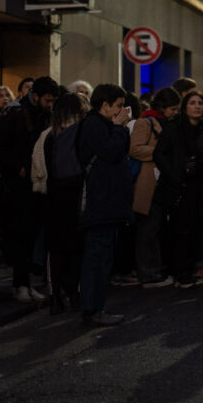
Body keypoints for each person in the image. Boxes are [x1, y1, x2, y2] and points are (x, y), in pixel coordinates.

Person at [0, 76, 58, 301]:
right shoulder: (15, 114)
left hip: (37, 181)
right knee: (21, 235)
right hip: (19, 184)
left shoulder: (43, 114)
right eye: (47, 100)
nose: (50, 105)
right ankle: (20, 284)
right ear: (36, 96)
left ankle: (24, 283)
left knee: (30, 235)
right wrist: (17, 168)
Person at [74, 84, 135, 325]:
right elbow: (111, 152)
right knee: (97, 257)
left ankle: (95, 307)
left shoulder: (103, 125)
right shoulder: (94, 125)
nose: (122, 111)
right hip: (99, 203)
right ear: (105, 105)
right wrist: (120, 128)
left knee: (102, 256)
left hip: (108, 203)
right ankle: (91, 309)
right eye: (118, 106)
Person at [155, 88, 203, 288]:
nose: (197, 106)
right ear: (184, 106)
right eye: (192, 103)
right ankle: (179, 271)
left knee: (197, 229)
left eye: (200, 103)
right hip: (179, 186)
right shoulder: (174, 128)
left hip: (200, 186)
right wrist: (174, 174)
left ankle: (190, 268)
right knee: (180, 229)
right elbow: (159, 154)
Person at [37, 93, 85, 313]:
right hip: (74, 195)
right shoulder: (77, 134)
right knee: (75, 248)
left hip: (52, 197)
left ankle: (56, 295)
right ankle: (74, 293)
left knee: (56, 249)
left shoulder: (48, 136)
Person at [131, 86, 181, 288]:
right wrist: (161, 152)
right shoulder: (146, 122)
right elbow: (135, 149)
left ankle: (156, 269)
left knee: (156, 227)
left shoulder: (169, 124)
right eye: (172, 109)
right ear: (162, 107)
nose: (174, 113)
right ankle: (149, 273)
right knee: (148, 229)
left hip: (162, 181)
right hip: (149, 181)